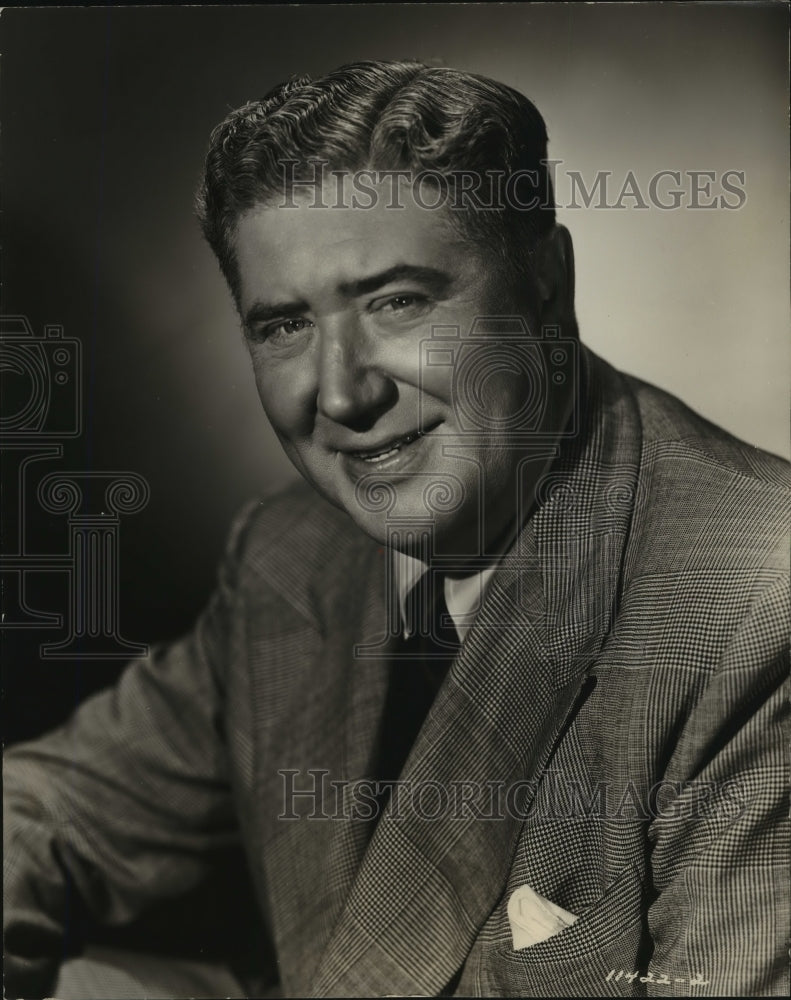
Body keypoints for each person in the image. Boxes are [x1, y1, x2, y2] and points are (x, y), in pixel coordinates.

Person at [4, 60, 789, 999]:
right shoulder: (292, 554)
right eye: (283, 326)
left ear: (545, 283)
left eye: (396, 302)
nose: (341, 391)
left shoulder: (757, 603)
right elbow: (56, 809)